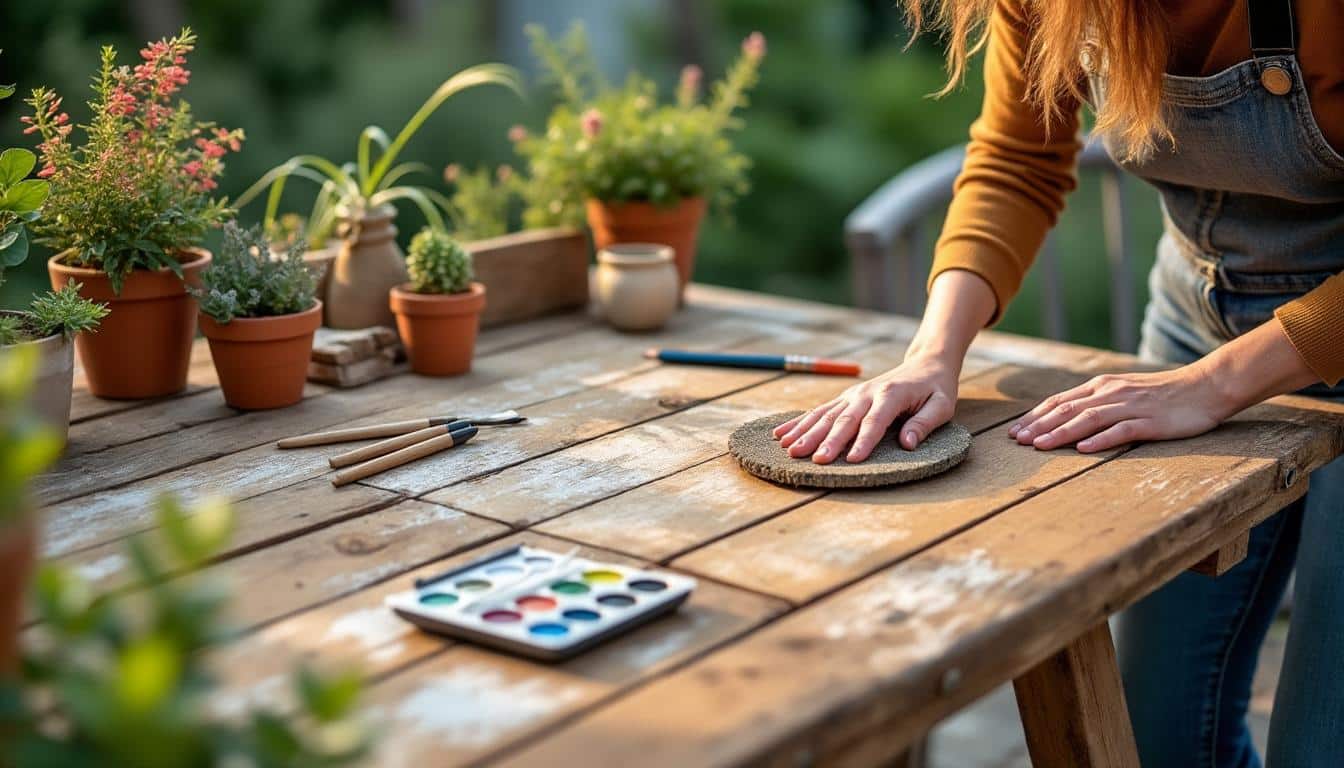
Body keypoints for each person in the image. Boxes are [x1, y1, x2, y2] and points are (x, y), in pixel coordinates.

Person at [777, 1, 1343, 765]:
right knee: (1158, 738)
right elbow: (1018, 159)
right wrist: (932, 354)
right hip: (1194, 324)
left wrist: (1211, 388)